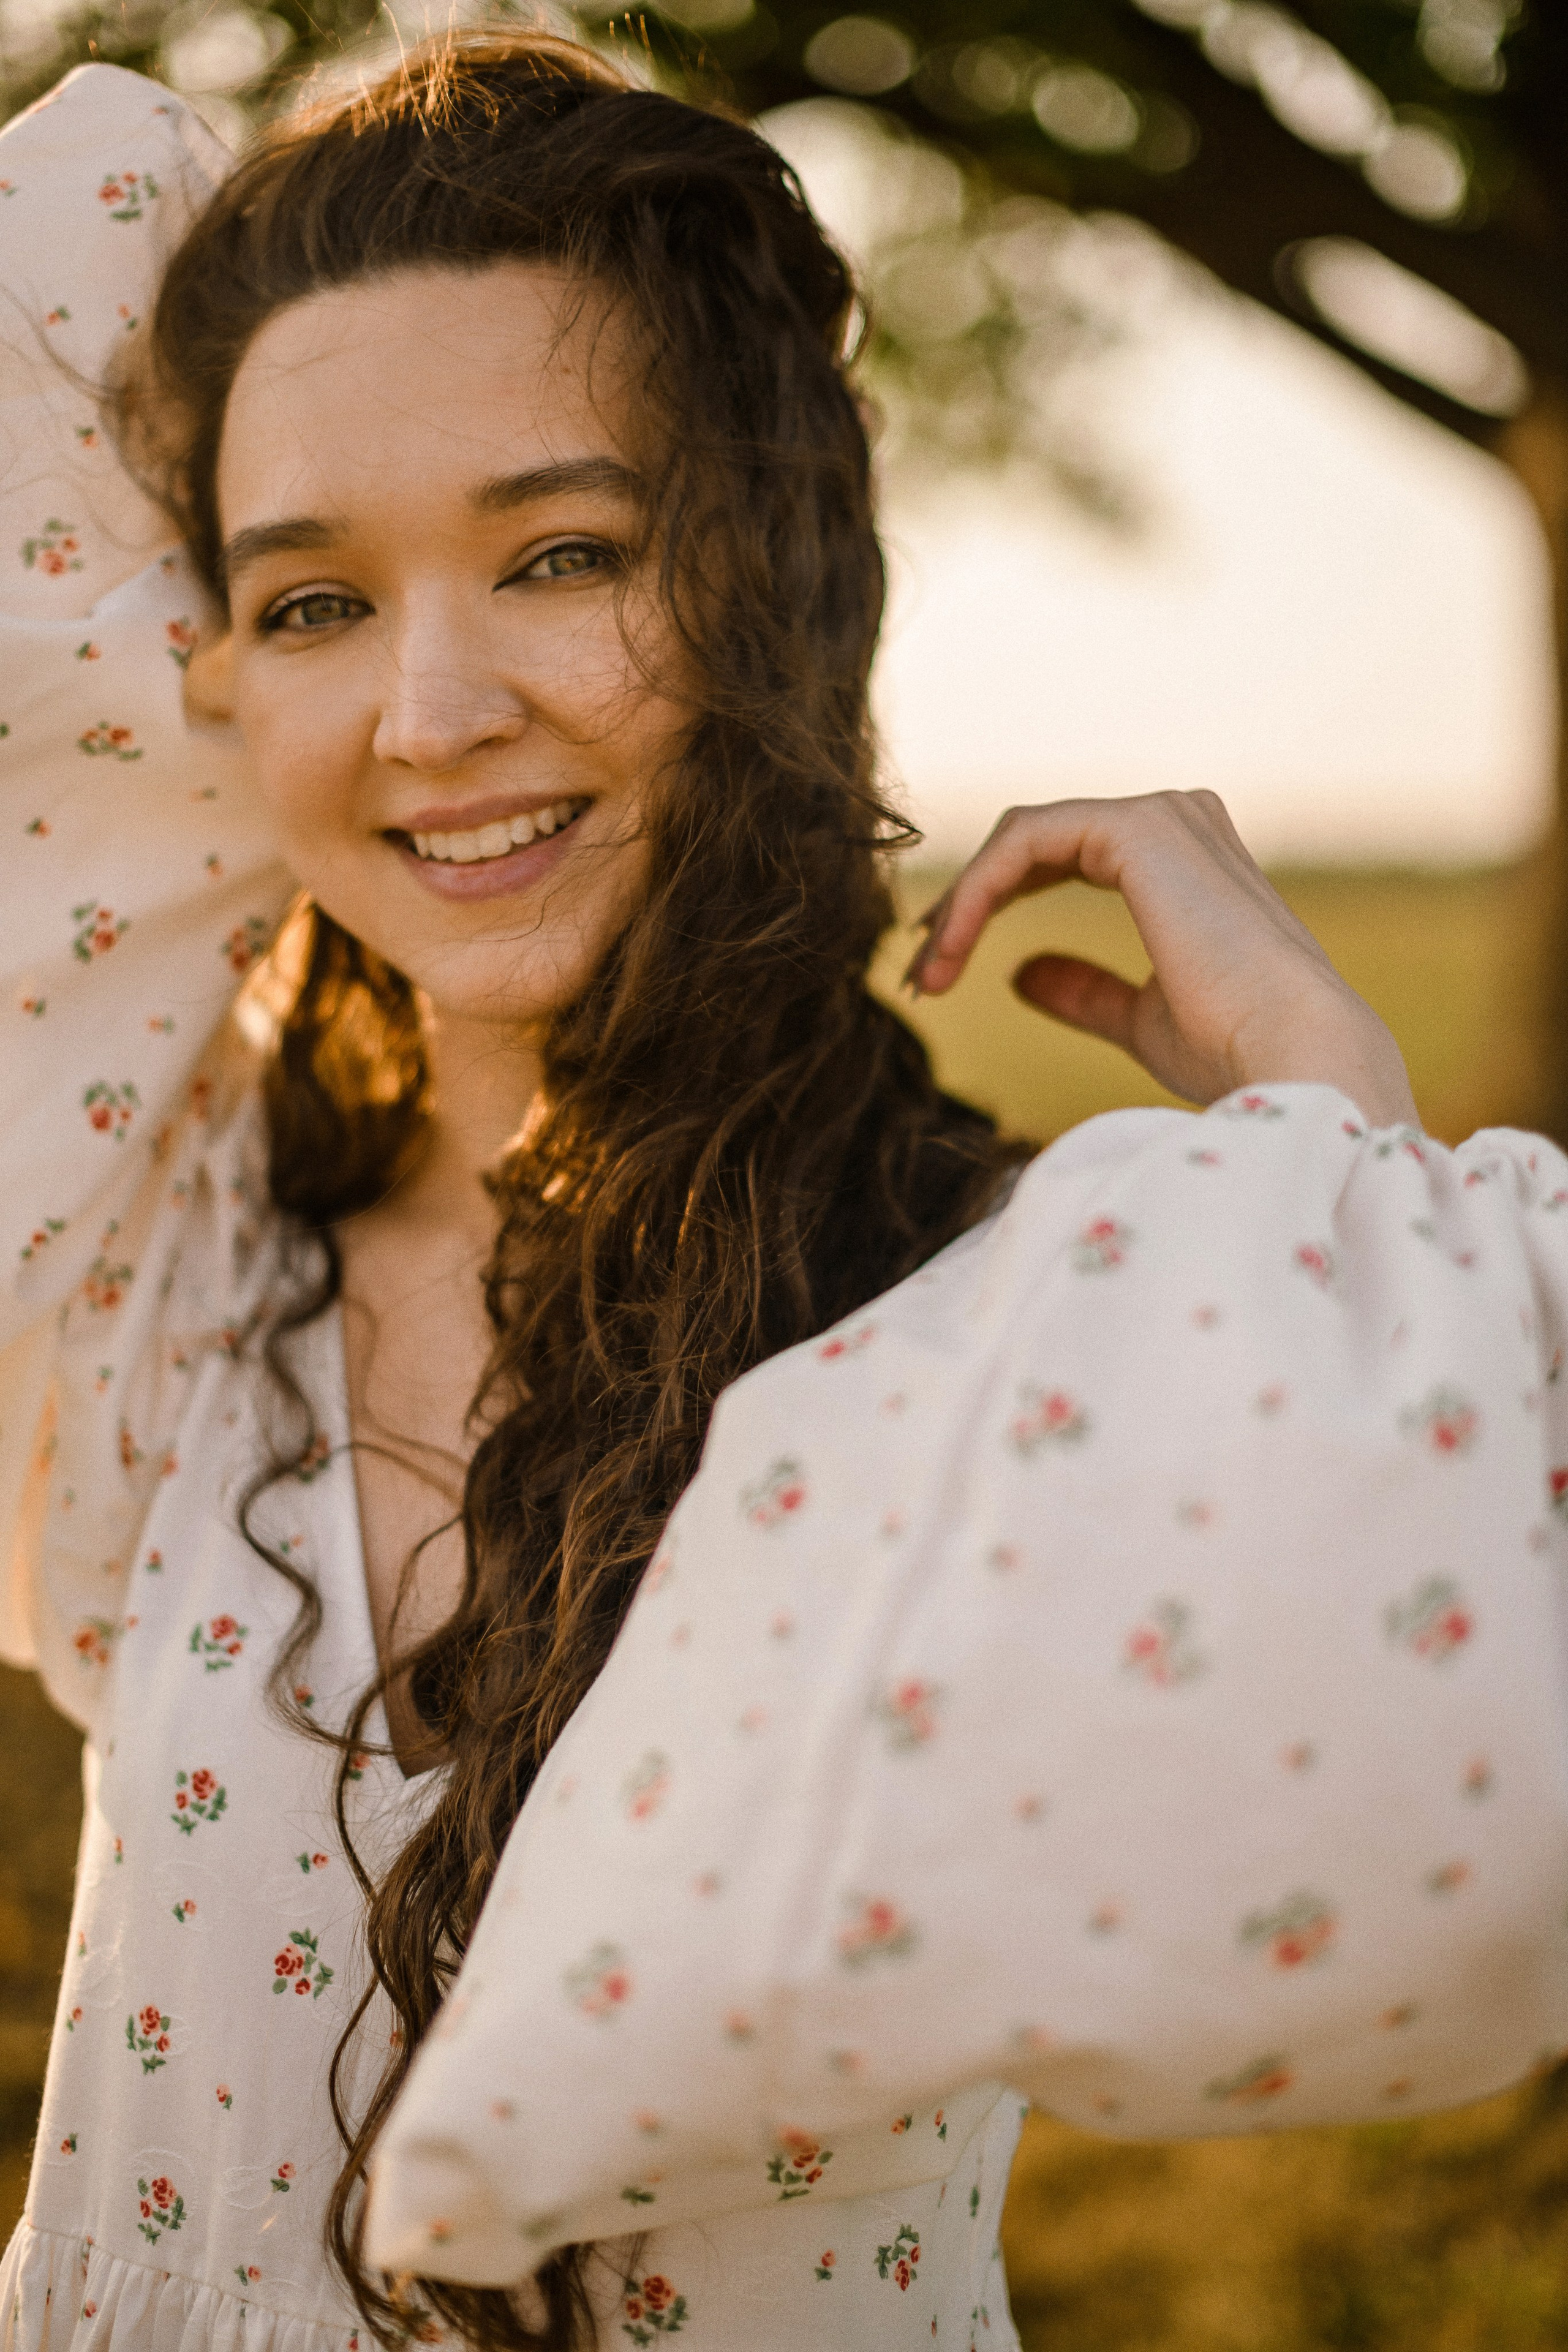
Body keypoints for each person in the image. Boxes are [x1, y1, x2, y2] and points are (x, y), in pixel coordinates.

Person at [1, 32, 1566, 2352]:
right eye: (315, 601)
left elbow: (1470, 1804)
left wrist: (1327, 1132)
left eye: (561, 555)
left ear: (768, 592)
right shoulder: (155, 1272)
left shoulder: (1010, 1332)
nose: (431, 709)